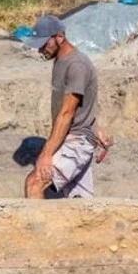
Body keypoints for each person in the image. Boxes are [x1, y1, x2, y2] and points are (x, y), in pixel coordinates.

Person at [22, 15, 111, 199]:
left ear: (60, 37)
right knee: (80, 206)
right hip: (76, 136)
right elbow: (83, 103)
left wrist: (46, 155)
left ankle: (34, 228)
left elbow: (66, 113)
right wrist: (96, 128)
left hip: (77, 141)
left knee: (34, 183)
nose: (40, 50)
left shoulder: (76, 65)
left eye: (44, 44)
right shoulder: (60, 61)